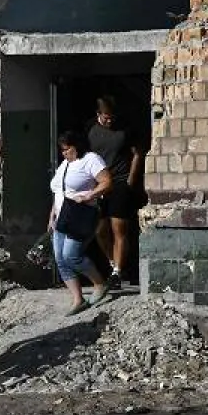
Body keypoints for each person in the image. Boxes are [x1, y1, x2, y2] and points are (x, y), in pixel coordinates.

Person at [49, 129, 113, 315]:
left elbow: (107, 182)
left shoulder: (90, 159)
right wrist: (52, 214)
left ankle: (99, 283)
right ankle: (78, 299)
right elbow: (59, 191)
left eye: (67, 149)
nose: (64, 153)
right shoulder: (64, 165)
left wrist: (89, 195)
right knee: (60, 259)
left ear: (77, 147)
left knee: (71, 255)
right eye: (62, 150)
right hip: (62, 217)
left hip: (79, 214)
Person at [87, 96, 144, 289]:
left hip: (120, 183)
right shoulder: (90, 129)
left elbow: (137, 153)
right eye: (106, 118)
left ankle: (117, 272)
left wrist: (130, 181)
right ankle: (113, 264)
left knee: (118, 229)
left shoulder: (124, 129)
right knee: (99, 230)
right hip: (100, 183)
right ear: (98, 115)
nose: (110, 121)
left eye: (112, 117)